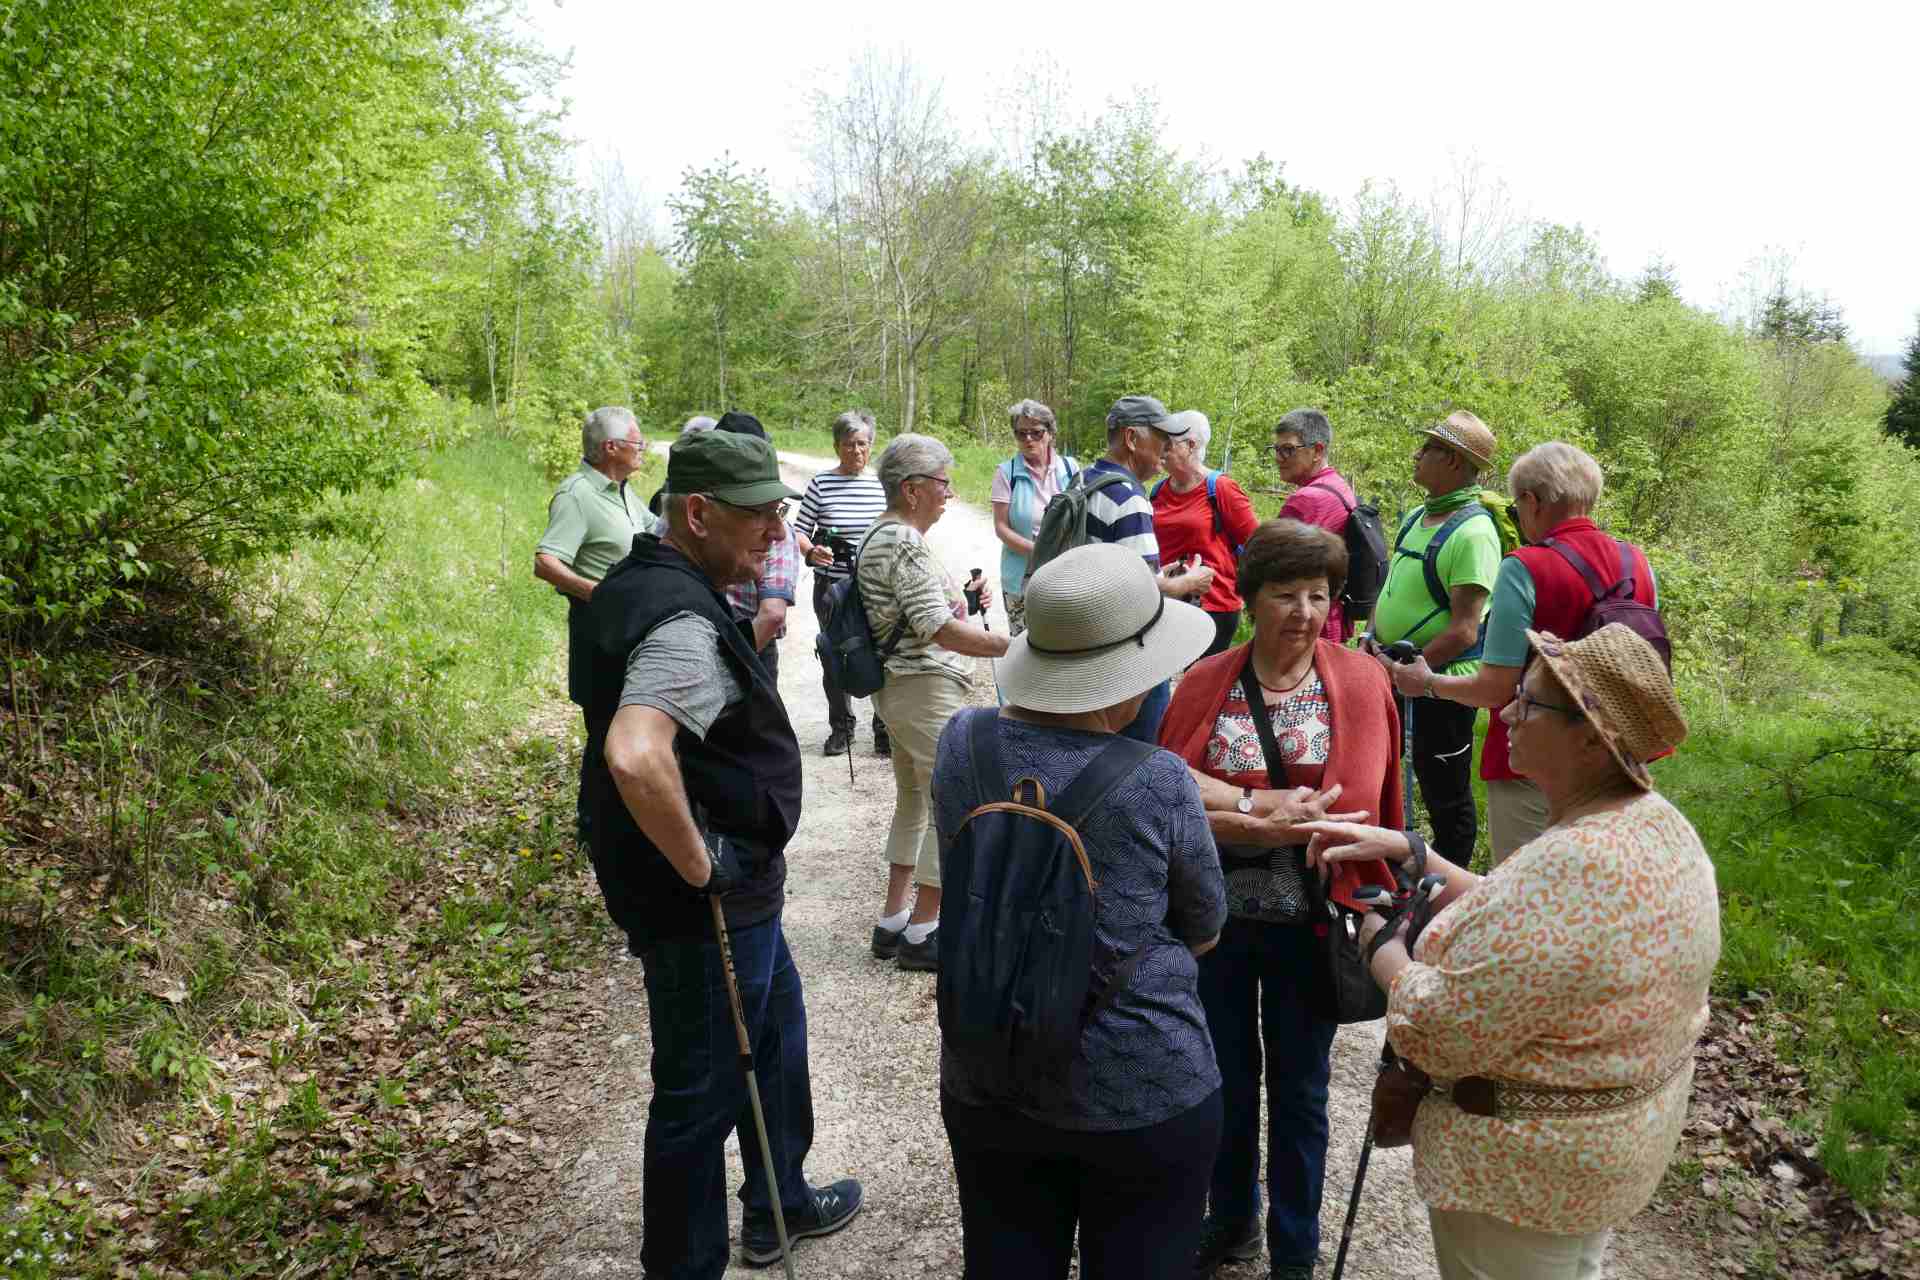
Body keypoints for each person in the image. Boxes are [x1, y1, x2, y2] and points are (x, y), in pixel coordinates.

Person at [1301, 624, 1718, 1280]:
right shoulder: (1651, 825)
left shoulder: (1575, 863)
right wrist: (1417, 855)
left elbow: (1438, 1030)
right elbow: (1536, 926)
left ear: (1591, 738)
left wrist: (1379, 942)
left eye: (1529, 702)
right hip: (1600, 1158)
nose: (1506, 715)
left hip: (1524, 1179)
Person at [585, 430, 863, 1277]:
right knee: (699, 1096)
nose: (778, 533)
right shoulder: (679, 619)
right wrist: (702, 865)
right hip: (706, 904)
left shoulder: (639, 579)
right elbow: (635, 754)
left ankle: (781, 1202)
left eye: (780, 512)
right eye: (760, 516)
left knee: (775, 1035)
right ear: (699, 514)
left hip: (736, 899)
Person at [933, 542, 1226, 1280]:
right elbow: (1205, 925)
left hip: (988, 1063)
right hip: (1138, 1085)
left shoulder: (961, 742)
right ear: (1125, 679)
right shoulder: (1159, 779)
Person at [1156, 519, 1402, 1280]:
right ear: (1252, 598)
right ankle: (1232, 1222)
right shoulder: (1206, 680)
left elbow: (1360, 807)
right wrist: (1261, 810)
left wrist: (1227, 806)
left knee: (1300, 1091)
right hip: (1214, 923)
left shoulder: (1359, 682)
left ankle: (1295, 1251)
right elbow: (1163, 787)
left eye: (1319, 596)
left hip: (1312, 924)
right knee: (1221, 1080)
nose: (1304, 611)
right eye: (1286, 594)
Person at [1385, 442, 1660, 864]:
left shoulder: (1525, 567)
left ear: (1532, 501)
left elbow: (1494, 689)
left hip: (1537, 757)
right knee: (1596, 876)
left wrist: (1427, 683)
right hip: (1616, 753)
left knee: (1527, 879)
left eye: (1516, 507)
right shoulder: (1635, 562)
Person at [858, 434, 1010, 970]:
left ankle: (893, 919)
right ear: (912, 489)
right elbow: (936, 628)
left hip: (900, 687)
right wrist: (1013, 645)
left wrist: (963, 600)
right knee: (952, 799)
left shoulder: (881, 533)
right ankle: (925, 930)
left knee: (915, 800)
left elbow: (918, 613)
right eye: (943, 482)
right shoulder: (902, 540)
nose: (949, 493)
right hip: (923, 686)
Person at [1364, 411, 1502, 863]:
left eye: (1429, 449)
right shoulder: (1419, 516)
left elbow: (1465, 629)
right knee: (1384, 775)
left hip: (1440, 687)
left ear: (1455, 462)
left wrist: (1407, 671)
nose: (1417, 455)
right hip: (1393, 670)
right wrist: (1370, 634)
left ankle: (1453, 884)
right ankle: (1391, 866)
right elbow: (1392, 585)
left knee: (1445, 792)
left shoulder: (1474, 534)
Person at [533, 405, 655, 844]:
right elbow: (546, 562)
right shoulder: (577, 495)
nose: (642, 449)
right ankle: (595, 830)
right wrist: (598, 593)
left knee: (628, 729)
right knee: (606, 733)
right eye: (637, 443)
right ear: (611, 447)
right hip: (598, 633)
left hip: (631, 631)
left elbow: (654, 532)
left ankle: (623, 825)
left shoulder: (621, 492)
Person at [1082, 395, 1217, 742]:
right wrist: (1189, 581)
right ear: (1131, 438)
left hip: (1087, 640)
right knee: (1141, 748)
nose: (1166, 448)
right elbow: (1142, 588)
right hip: (1127, 651)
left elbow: (1108, 563)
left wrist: (1160, 574)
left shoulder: (1084, 481)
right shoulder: (1129, 497)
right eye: (1160, 438)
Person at [792, 409, 890, 757]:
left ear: (871, 445)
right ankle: (842, 727)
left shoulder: (882, 484)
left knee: (882, 652)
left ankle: (884, 728)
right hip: (832, 587)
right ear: (837, 446)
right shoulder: (821, 483)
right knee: (835, 653)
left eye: (862, 444)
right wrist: (811, 551)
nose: (856, 451)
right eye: (849, 444)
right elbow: (799, 530)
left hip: (876, 585)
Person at [1151, 409, 1261, 659]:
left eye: (1168, 442)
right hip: (1168, 602)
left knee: (1202, 678)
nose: (1161, 448)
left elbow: (1258, 544)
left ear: (1191, 445)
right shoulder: (1157, 491)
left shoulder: (1221, 488)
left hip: (1214, 607)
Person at [707, 413, 801, 686]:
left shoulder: (688, 514)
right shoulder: (690, 512)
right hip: (711, 641)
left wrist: (724, 674)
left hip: (750, 644)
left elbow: (772, 615)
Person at [989, 398, 1077, 636]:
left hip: (1065, 573)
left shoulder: (1070, 468)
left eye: (1036, 433)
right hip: (1021, 578)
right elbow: (1001, 527)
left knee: (1064, 640)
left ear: (1050, 433)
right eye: (1021, 433)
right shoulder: (1006, 473)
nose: (1028, 439)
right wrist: (1039, 551)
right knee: (1023, 644)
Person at [1273, 407, 1362, 643]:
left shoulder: (1306, 500)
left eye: (1288, 449)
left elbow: (1270, 568)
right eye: (1276, 449)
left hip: (1302, 626)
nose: (1278, 458)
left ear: (1318, 451)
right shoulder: (1339, 486)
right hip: (1331, 617)